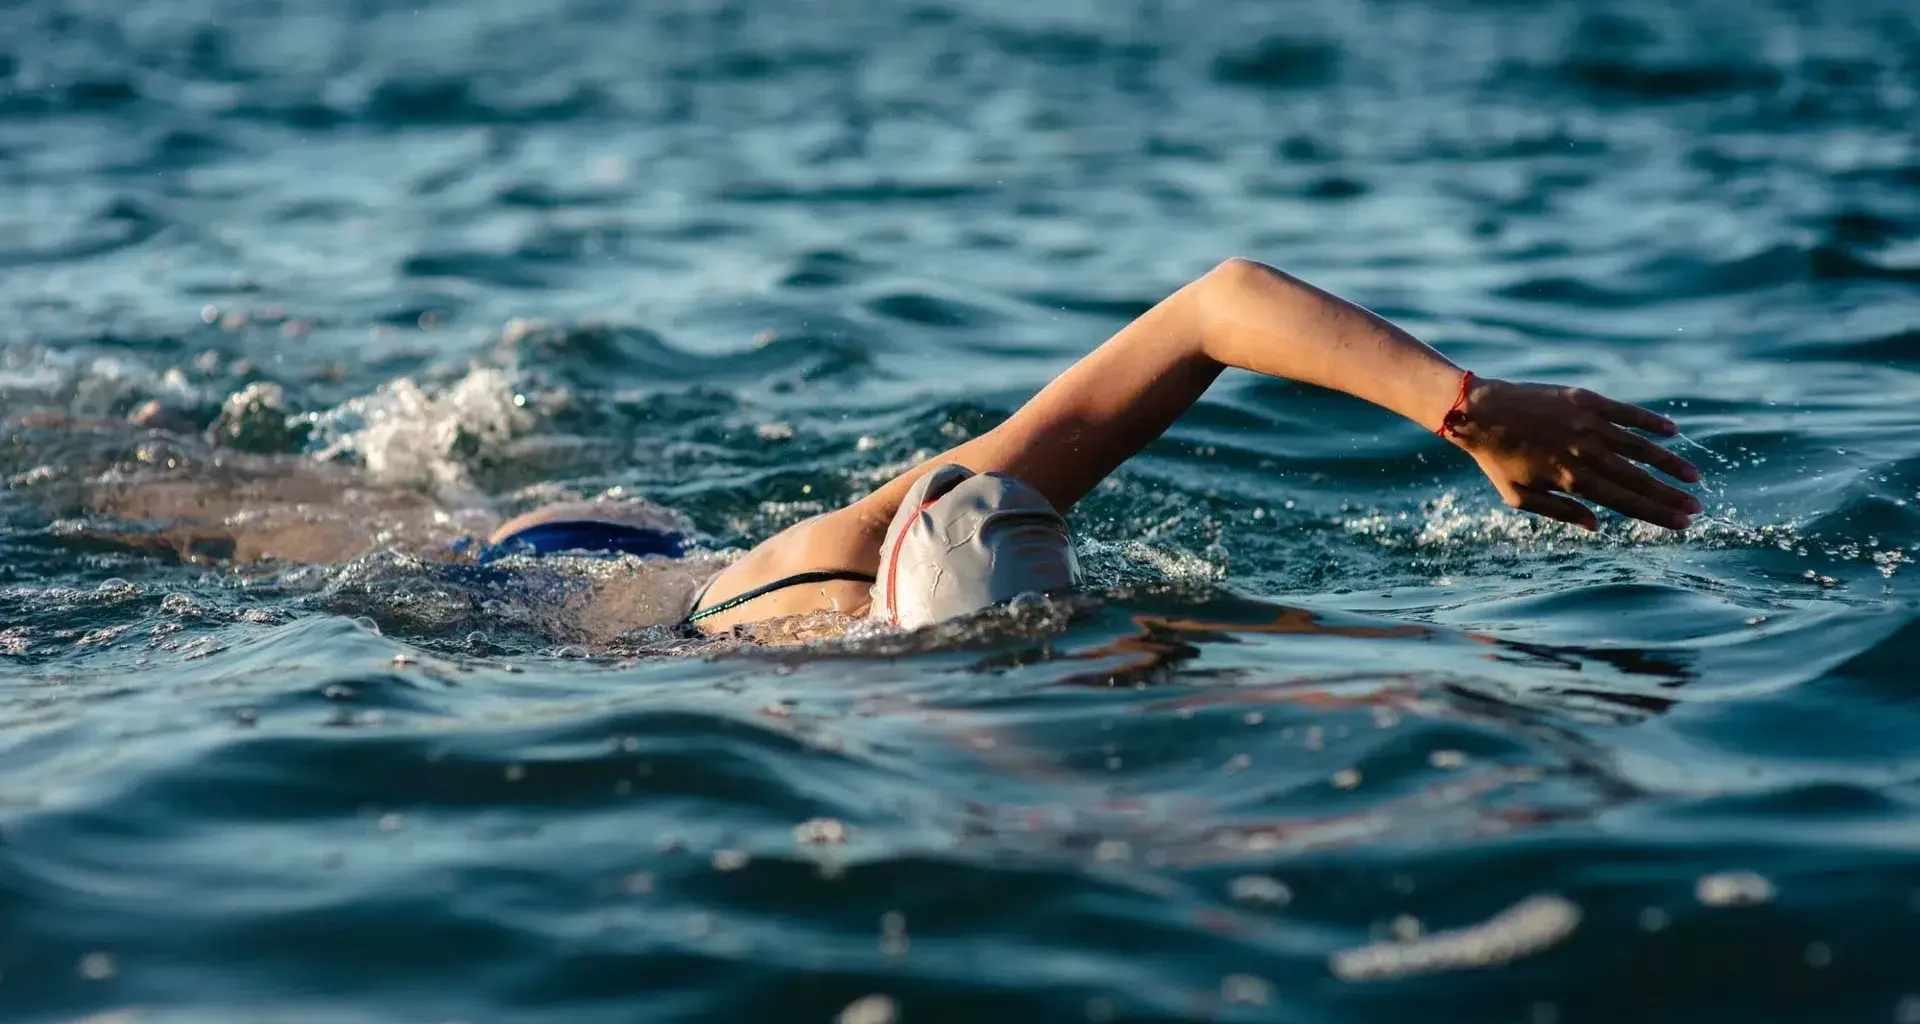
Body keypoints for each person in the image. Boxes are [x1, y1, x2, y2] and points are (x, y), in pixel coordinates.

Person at [490, 257, 1703, 634]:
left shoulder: (917, 527)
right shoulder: (840, 569)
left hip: (636, 557)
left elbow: (1218, 306)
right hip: (543, 569)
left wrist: (1466, 408)